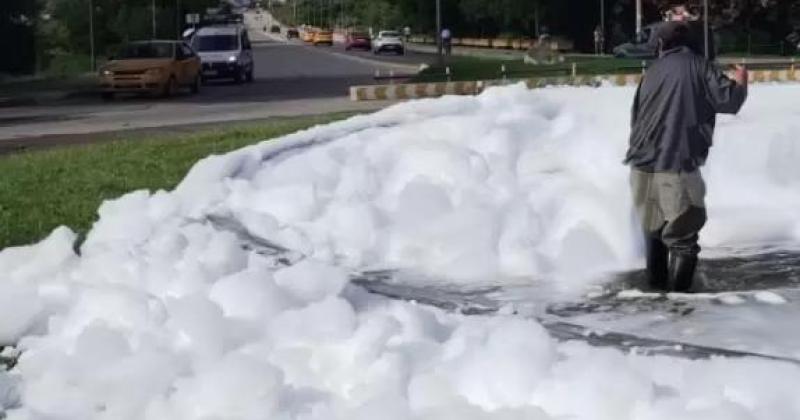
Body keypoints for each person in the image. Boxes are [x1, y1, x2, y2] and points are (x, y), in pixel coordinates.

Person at [625, 21, 748, 292]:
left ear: (661, 45)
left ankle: (654, 299)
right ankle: (679, 309)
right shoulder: (698, 65)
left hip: (640, 167)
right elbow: (728, 100)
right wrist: (740, 82)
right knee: (683, 241)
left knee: (654, 233)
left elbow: (635, 119)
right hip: (676, 165)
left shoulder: (652, 72)